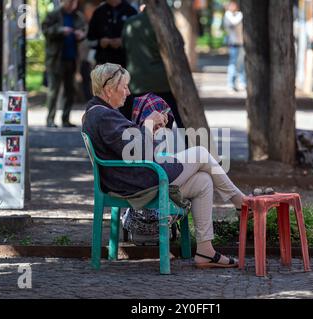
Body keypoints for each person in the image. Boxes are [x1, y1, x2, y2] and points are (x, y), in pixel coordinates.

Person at [82, 63, 255, 268]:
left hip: (136, 177)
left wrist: (150, 132)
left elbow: (130, 149)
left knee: (203, 181)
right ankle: (240, 202)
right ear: (109, 89)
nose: (128, 92)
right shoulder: (102, 115)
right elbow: (138, 153)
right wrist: (147, 123)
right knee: (200, 153)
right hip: (139, 181)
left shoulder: (98, 112)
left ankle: (205, 251)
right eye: (125, 86)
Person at [120, 3, 184, 128]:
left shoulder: (130, 23)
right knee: (167, 121)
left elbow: (125, 47)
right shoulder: (162, 23)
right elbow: (178, 45)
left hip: (136, 82)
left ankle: (137, 147)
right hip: (162, 81)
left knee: (135, 122)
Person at [42, 0, 86, 128]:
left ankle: (65, 119)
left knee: (70, 91)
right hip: (56, 59)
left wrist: (80, 35)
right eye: (70, 1)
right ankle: (50, 119)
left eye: (74, 1)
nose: (72, 4)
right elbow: (45, 30)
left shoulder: (77, 16)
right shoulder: (53, 14)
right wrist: (60, 30)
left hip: (72, 59)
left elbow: (84, 30)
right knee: (53, 91)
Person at [86, 0, 137, 67]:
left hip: (126, 63)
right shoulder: (99, 12)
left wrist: (124, 42)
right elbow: (89, 41)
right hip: (103, 63)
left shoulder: (131, 11)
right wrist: (100, 42)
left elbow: (138, 40)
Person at [223, 1, 246, 92]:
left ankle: (242, 82)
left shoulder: (240, 15)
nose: (233, 7)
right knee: (233, 64)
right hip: (233, 44)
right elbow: (232, 24)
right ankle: (231, 84)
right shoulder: (228, 16)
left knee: (241, 64)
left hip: (242, 43)